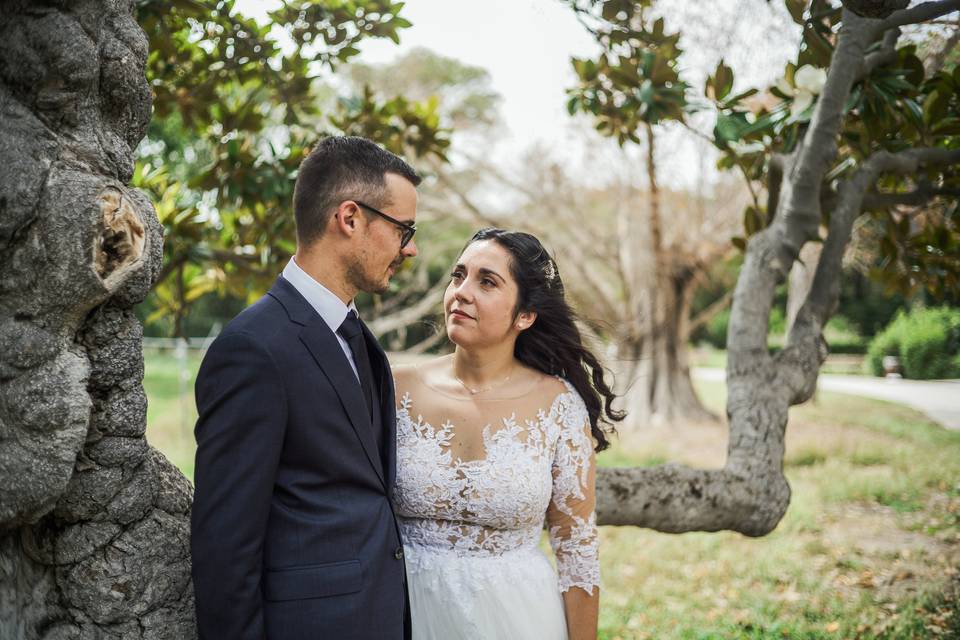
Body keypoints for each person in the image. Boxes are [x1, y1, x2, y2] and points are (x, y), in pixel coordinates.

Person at [191, 136, 420, 640]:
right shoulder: (252, 349)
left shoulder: (363, 341)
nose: (411, 247)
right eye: (404, 229)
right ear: (350, 218)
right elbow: (225, 547)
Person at [391, 228, 624, 640]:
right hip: (401, 613)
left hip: (517, 619)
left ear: (525, 315)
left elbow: (576, 548)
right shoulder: (394, 388)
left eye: (487, 282)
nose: (461, 292)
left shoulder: (559, 405)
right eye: (458, 275)